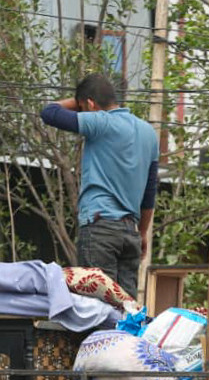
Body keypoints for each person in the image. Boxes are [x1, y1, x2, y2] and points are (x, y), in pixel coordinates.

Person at [39, 73, 160, 298]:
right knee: (126, 309)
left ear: (91, 104)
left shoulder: (100, 122)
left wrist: (78, 101)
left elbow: (50, 112)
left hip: (100, 231)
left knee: (96, 308)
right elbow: (149, 192)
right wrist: (142, 233)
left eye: (83, 108)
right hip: (130, 234)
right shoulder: (148, 133)